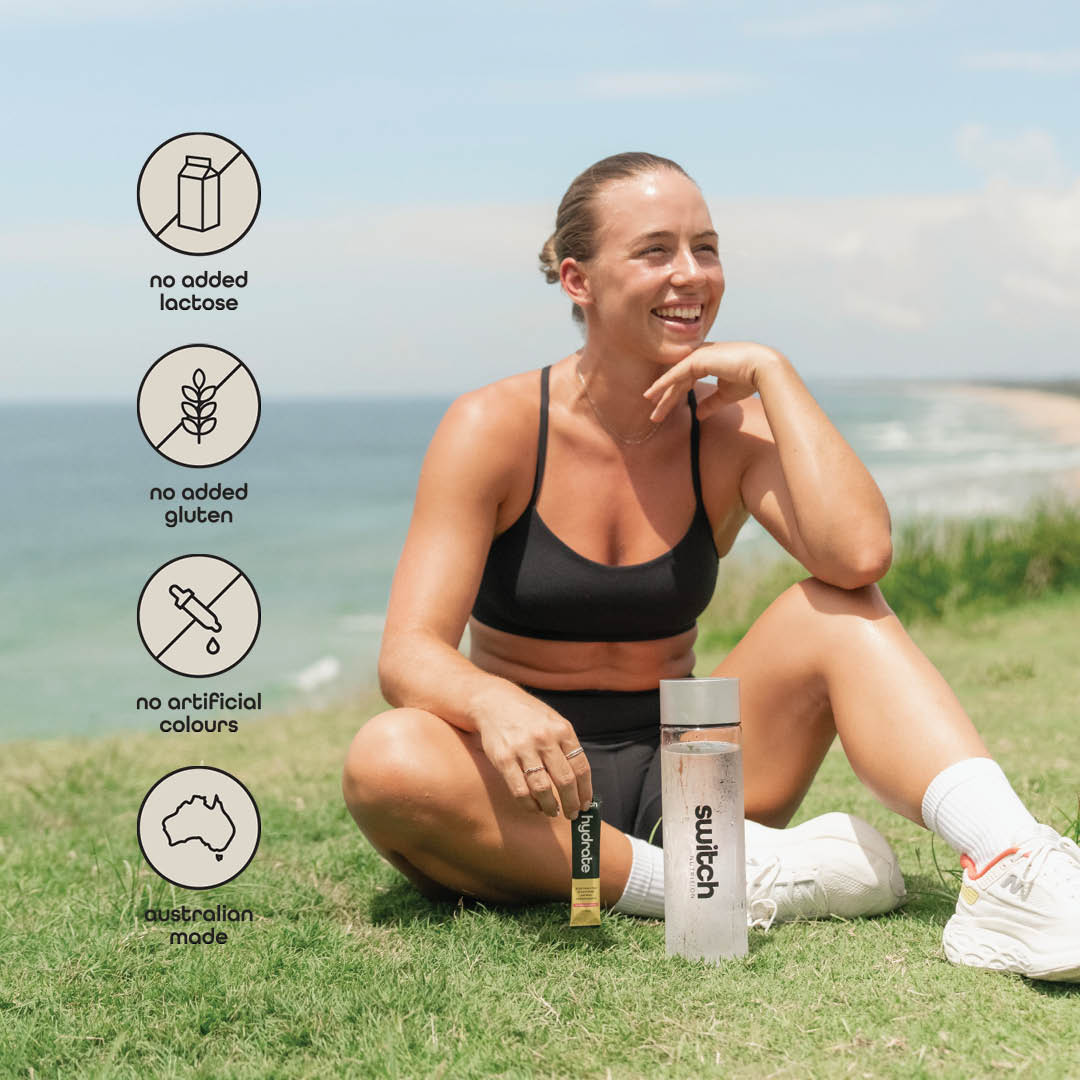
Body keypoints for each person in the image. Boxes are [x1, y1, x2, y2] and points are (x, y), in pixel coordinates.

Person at [343, 152, 1080, 980]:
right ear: (578, 281)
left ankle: (1016, 866)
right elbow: (407, 653)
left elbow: (858, 555)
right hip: (532, 793)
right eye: (655, 251)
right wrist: (489, 700)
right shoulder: (494, 427)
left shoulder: (727, 429)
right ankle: (721, 883)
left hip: (693, 783)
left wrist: (774, 375)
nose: (691, 275)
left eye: (707, 248)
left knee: (837, 609)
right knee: (388, 758)